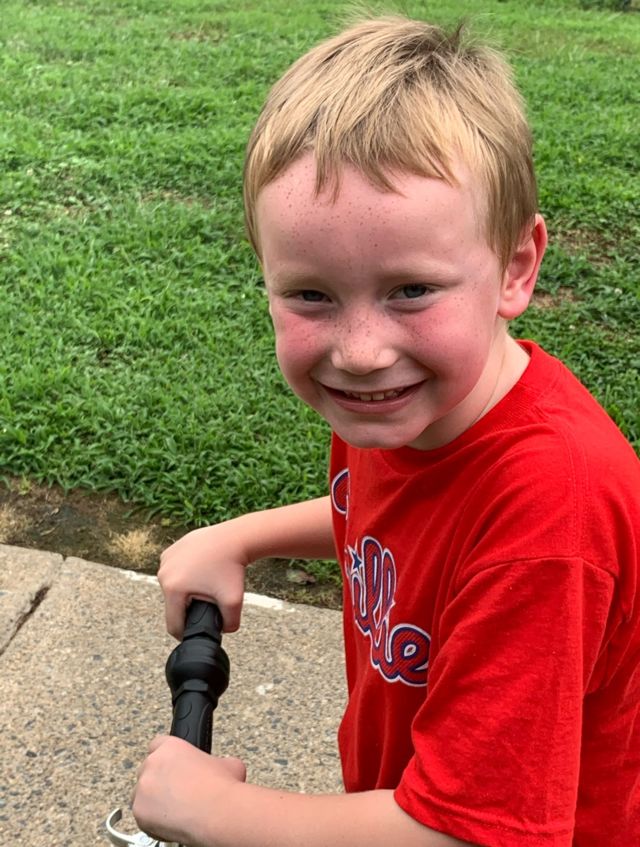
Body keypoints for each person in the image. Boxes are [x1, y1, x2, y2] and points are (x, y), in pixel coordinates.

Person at [132, 15, 640, 847]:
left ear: (516, 268)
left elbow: (470, 832)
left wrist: (213, 811)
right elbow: (398, 516)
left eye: (411, 290)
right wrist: (243, 535)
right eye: (312, 295)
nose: (360, 351)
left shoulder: (552, 510)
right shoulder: (416, 407)